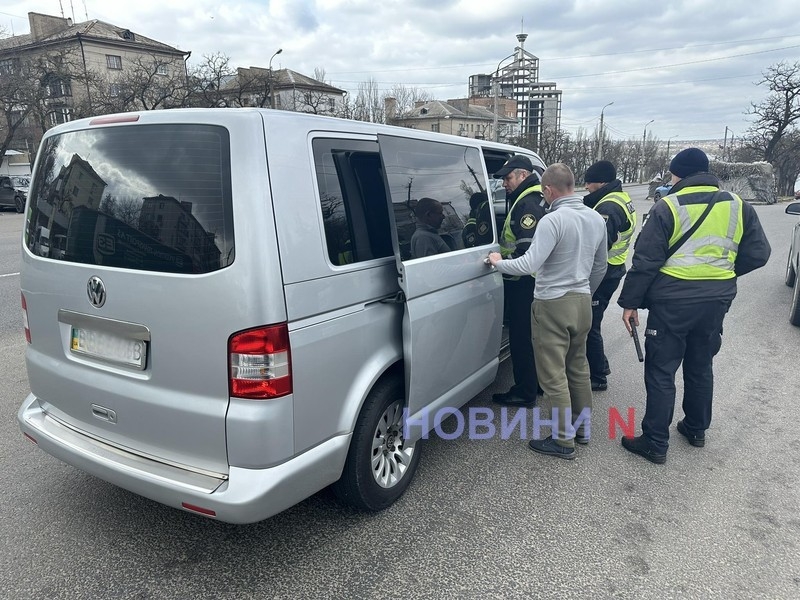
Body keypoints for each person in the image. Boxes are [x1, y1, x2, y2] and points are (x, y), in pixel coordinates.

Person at [617, 147, 771, 464]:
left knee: (661, 370)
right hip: (717, 299)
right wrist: (720, 274)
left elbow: (645, 262)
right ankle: (696, 428)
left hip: (673, 300)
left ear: (678, 174)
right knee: (701, 363)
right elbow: (759, 254)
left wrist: (630, 303)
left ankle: (655, 442)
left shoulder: (667, 207)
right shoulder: (738, 204)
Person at [489, 163, 607, 459]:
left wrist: (497, 262)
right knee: (578, 369)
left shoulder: (552, 220)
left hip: (553, 304)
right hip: (582, 302)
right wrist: (584, 292)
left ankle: (562, 440)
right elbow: (601, 265)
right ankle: (582, 430)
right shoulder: (594, 218)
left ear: (549, 189)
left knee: (553, 376)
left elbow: (529, 265)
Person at [490, 155, 548, 408]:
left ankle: (525, 392)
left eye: (508, 177)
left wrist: (497, 261)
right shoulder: (534, 198)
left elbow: (525, 255)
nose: (505, 183)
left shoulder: (528, 205)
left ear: (523, 175)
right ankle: (535, 384)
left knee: (521, 338)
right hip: (529, 281)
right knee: (532, 337)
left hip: (523, 281)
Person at [582, 160, 637, 391]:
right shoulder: (619, 198)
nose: (585, 187)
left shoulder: (608, 207)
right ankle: (599, 367)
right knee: (591, 321)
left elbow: (598, 247)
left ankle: (598, 377)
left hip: (604, 271)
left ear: (601, 182)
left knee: (590, 323)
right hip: (613, 268)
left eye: (589, 182)